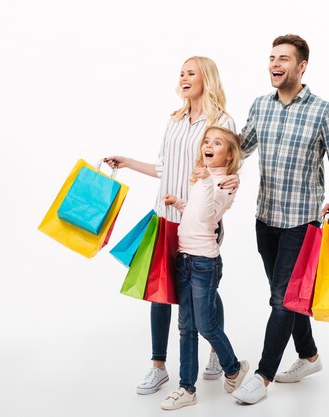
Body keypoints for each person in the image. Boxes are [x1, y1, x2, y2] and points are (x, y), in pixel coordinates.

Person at [231, 34, 329, 405]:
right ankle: (310, 356)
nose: (275, 64)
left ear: (301, 67)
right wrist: (211, 146)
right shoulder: (260, 106)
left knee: (282, 300)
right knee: (287, 297)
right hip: (265, 218)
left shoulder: (323, 111)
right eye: (271, 57)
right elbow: (240, 148)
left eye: (283, 58)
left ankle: (262, 376)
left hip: (303, 221)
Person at [105, 56, 238, 395]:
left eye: (190, 73)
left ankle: (213, 352)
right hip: (166, 218)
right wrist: (129, 163)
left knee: (205, 292)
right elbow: (164, 168)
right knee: (159, 291)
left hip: (198, 222)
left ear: (206, 79)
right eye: (181, 73)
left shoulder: (221, 121)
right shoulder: (175, 120)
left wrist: (228, 191)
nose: (183, 78)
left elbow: (229, 167)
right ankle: (158, 366)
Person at [160, 126, 249, 410]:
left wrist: (207, 182)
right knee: (186, 327)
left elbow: (213, 212)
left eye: (218, 142)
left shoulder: (226, 183)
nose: (209, 145)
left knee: (206, 325)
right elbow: (198, 213)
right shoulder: (204, 179)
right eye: (207, 141)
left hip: (204, 263)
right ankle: (187, 388)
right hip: (184, 259)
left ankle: (233, 368)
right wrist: (180, 204)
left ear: (230, 154)